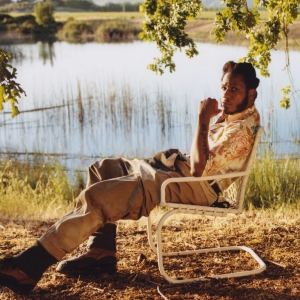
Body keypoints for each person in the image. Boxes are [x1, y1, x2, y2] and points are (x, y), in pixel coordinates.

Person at [0, 61, 261, 295]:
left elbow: (196, 169)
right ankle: (101, 252)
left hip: (193, 186)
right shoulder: (234, 116)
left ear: (250, 93)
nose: (226, 94)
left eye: (234, 89)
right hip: (174, 171)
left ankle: (27, 267)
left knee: (98, 198)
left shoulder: (241, 130)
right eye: (224, 87)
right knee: (103, 169)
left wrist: (202, 120)